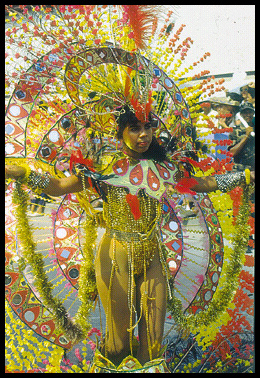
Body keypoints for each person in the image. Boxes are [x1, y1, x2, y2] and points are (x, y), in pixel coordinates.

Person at [5, 104, 254, 369]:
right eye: (135, 128)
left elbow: (201, 185)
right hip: (116, 255)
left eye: (148, 127)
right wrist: (27, 175)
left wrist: (244, 175)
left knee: (153, 344)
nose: (144, 135)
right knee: (118, 343)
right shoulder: (104, 168)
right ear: (121, 132)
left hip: (153, 254)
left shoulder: (165, 169)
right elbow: (58, 187)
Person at [229, 102, 255, 171]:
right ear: (241, 114)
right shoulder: (235, 131)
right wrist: (246, 136)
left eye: (250, 112)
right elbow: (231, 153)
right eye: (245, 113)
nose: (248, 115)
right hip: (241, 168)